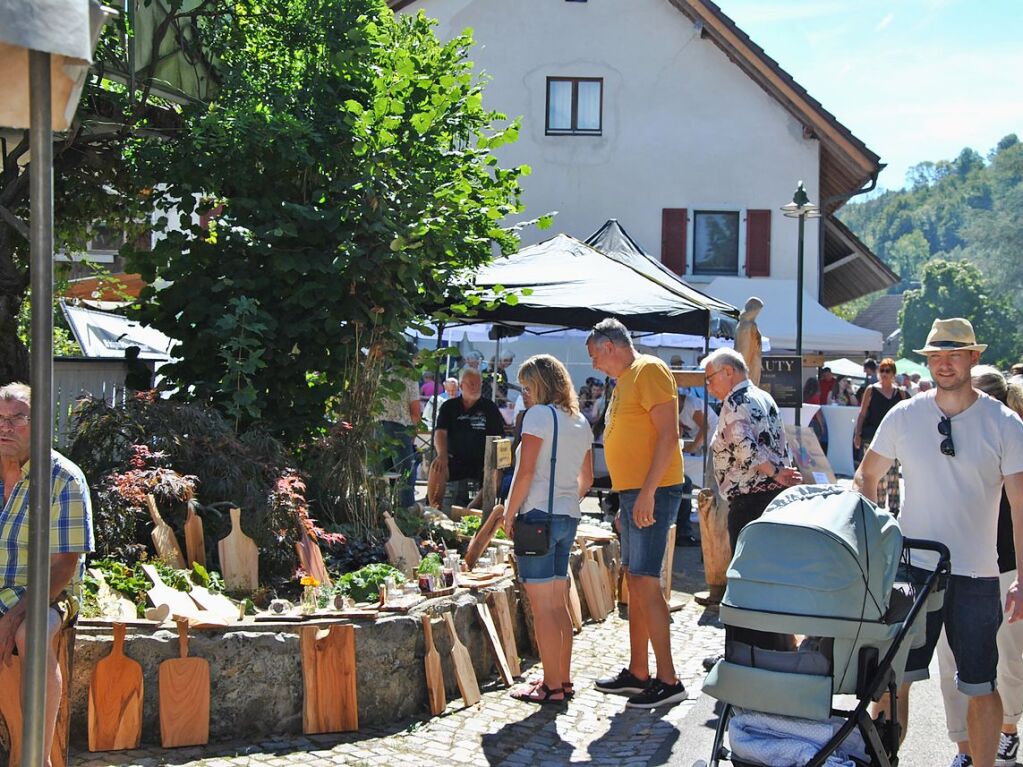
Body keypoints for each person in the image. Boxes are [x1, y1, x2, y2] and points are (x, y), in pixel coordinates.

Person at [854, 318, 1023, 767]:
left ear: (974, 357)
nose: (943, 364)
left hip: (977, 573)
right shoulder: (905, 415)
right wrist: (874, 553)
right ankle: (882, 763)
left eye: (953, 354)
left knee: (980, 684)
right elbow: (866, 477)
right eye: (935, 356)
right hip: (912, 571)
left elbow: (1021, 504)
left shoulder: (1003, 422)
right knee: (893, 683)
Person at [586, 319, 688, 708]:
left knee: (645, 582)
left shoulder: (649, 370)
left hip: (653, 490)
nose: (595, 364)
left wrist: (646, 493)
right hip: (634, 493)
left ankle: (668, 678)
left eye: (595, 355)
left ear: (610, 346)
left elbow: (668, 435)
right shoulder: (627, 379)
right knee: (636, 580)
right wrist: (628, 500)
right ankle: (639, 671)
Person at [0, 383, 94, 766]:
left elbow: (62, 566)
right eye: (0, 419)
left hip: (49, 591)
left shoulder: (63, 478)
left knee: (29, 633)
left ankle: (36, 757)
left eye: (17, 418)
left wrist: (13, 616)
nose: (5, 427)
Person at [937, 366, 1023, 767]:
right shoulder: (944, 434)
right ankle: (965, 751)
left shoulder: (1011, 435)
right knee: (954, 668)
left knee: (1007, 664)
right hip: (953, 568)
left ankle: (1007, 730)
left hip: (1004, 567)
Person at [502, 355, 593, 703]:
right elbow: (586, 478)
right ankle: (562, 681)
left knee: (543, 609)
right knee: (558, 607)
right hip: (567, 516)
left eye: (527, 386)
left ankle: (551, 686)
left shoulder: (538, 416)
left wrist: (509, 514)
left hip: (537, 515)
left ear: (540, 385)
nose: (524, 393)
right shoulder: (580, 421)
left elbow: (524, 474)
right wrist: (566, 498)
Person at [434, 366, 505, 513]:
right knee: (437, 466)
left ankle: (472, 508)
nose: (475, 387)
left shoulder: (490, 408)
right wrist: (442, 454)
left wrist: (493, 462)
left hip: (482, 461)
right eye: (471, 383)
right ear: (461, 386)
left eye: (478, 384)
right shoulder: (449, 406)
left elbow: (499, 438)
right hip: (455, 459)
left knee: (496, 474)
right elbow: (440, 432)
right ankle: (435, 510)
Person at [853, 357, 909, 515]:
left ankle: (894, 509)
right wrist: (857, 434)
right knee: (873, 474)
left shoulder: (901, 393)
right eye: (882, 370)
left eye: (887, 370)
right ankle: (876, 508)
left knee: (893, 476)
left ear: (893, 373)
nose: (884, 373)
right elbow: (862, 414)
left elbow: (907, 417)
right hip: (872, 437)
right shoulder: (871, 390)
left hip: (894, 439)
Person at [677, 387, 716, 546]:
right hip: (702, 445)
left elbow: (705, 426)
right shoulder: (675, 407)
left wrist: (692, 447)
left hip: (712, 441)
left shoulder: (691, 404)